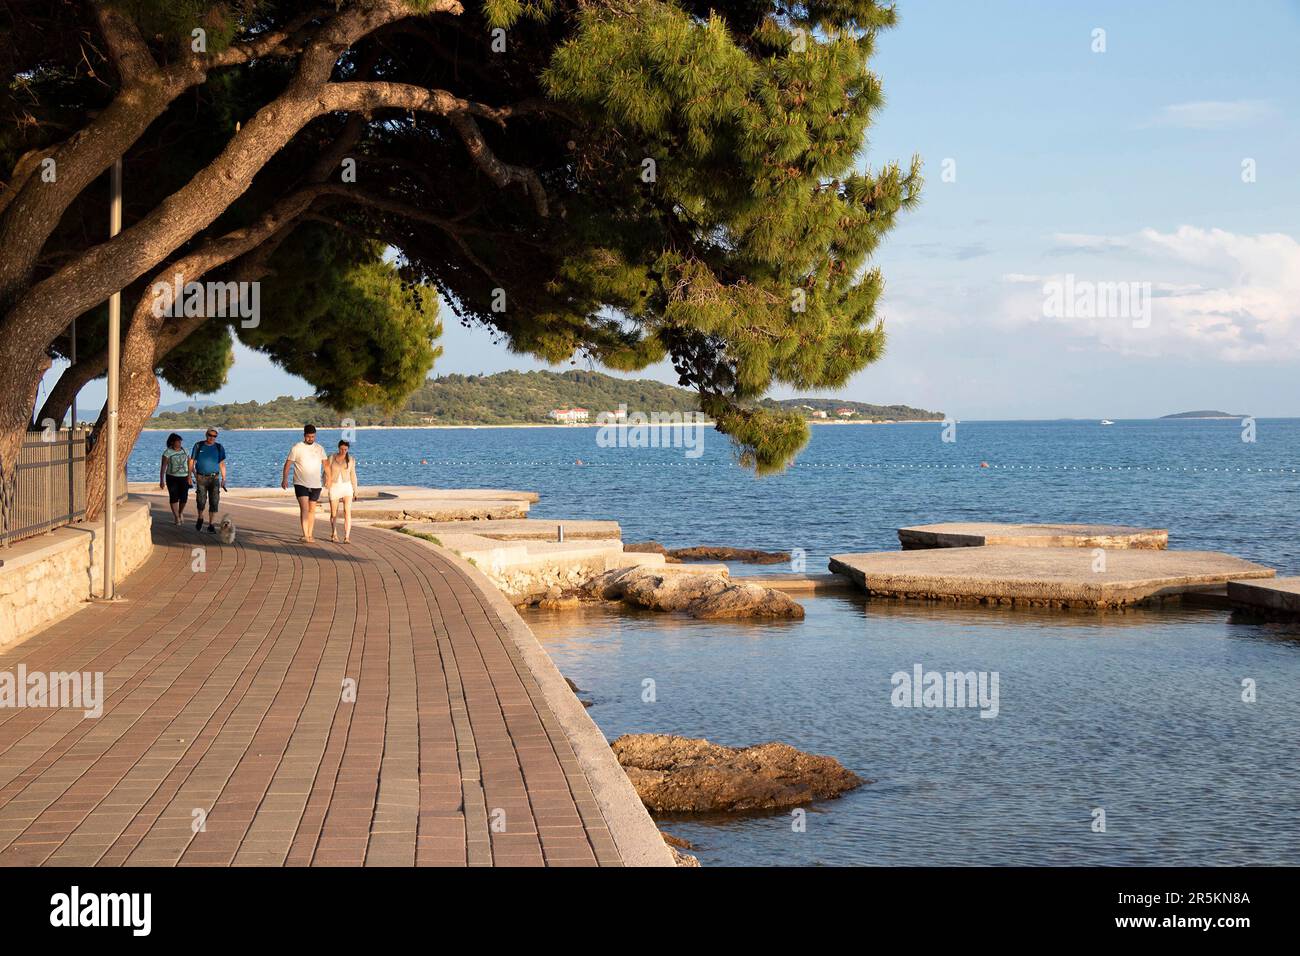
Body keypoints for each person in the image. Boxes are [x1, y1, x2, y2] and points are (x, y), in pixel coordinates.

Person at [282, 424, 328, 542]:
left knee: (312, 510)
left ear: (315, 436)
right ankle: (305, 535)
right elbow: (288, 464)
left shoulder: (320, 448)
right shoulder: (297, 447)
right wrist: (285, 479)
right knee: (304, 508)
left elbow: (326, 465)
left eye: (312, 437)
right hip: (300, 483)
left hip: (316, 484)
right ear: (304, 436)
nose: (310, 439)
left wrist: (329, 479)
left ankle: (310, 534)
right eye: (308, 436)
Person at [189, 428, 227, 533]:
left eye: (214, 436)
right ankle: (200, 517)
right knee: (201, 500)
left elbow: (222, 464)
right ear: (206, 435)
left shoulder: (219, 447)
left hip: (214, 478)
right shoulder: (198, 446)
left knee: (214, 501)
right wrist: (191, 475)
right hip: (201, 477)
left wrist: (224, 479)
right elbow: (192, 461)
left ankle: (211, 524)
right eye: (210, 435)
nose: (212, 437)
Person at [325, 439, 359, 543]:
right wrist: (327, 482)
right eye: (341, 449)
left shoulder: (351, 459)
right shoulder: (331, 457)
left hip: (347, 487)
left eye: (345, 449)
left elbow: (353, 475)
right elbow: (326, 471)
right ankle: (334, 533)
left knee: (347, 512)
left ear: (348, 449)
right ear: (338, 448)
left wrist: (355, 491)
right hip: (334, 487)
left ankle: (347, 537)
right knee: (333, 513)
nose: (343, 451)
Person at [158, 433, 192, 524]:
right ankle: (176, 517)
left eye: (180, 441)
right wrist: (162, 480)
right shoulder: (167, 453)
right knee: (173, 497)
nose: (180, 443)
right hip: (172, 478)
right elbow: (163, 467)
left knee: (184, 498)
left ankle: (180, 513)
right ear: (172, 442)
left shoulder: (185, 451)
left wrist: (190, 476)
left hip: (184, 477)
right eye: (178, 441)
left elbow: (190, 464)